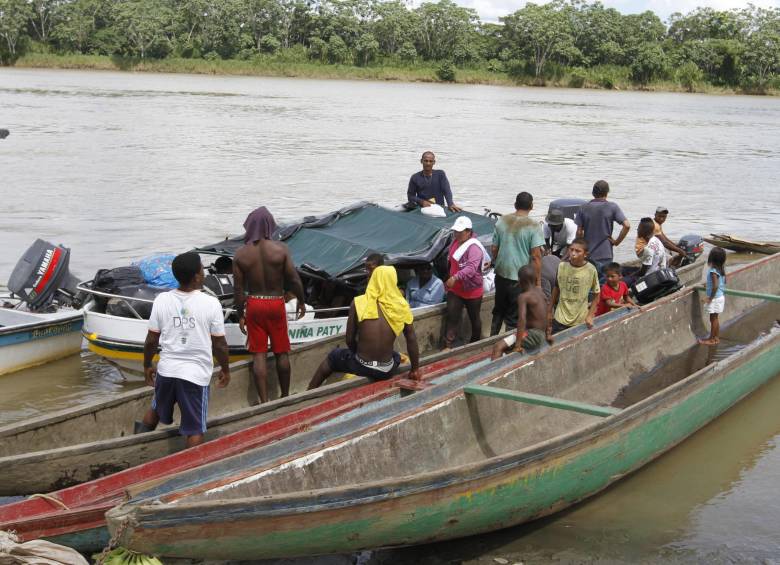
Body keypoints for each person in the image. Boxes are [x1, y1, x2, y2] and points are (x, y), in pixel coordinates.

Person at [137, 252, 230, 448]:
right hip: (194, 376)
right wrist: (226, 369)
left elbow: (151, 340)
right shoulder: (211, 303)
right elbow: (220, 345)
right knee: (195, 428)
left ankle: (138, 448)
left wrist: (146, 365)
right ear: (197, 276)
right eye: (202, 268)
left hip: (167, 371)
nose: (204, 272)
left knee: (155, 410)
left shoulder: (162, 300)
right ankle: (193, 473)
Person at [233, 206, 306, 403]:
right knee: (281, 351)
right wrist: (301, 300)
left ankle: (264, 402)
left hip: (255, 304)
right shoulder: (281, 249)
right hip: (276, 303)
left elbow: (238, 290)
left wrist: (241, 314)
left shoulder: (240, 255)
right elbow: (294, 279)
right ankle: (285, 395)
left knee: (259, 354)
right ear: (269, 226)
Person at [308, 265, 421, 388]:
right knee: (396, 356)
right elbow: (411, 339)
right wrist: (415, 369)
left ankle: (310, 391)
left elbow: (349, 340)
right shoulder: (401, 305)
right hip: (386, 370)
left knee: (333, 356)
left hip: (361, 366)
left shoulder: (358, 302)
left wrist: (359, 355)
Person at [490, 192, 544, 335]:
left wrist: (496, 261)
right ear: (531, 206)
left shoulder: (502, 221)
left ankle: (490, 339)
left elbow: (494, 248)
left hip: (501, 274)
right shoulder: (533, 226)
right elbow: (536, 256)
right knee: (514, 316)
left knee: (499, 310)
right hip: (519, 280)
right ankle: (509, 346)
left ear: (515, 205)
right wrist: (538, 283)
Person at [444, 216, 489, 348]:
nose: (456, 234)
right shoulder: (455, 242)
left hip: (472, 289)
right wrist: (447, 278)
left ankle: (475, 343)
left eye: (460, 232)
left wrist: (455, 277)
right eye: (455, 231)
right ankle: (448, 344)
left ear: (468, 232)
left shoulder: (474, 247)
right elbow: (450, 262)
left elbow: (471, 268)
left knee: (474, 317)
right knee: (452, 315)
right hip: (455, 289)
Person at [575, 180, 631, 281]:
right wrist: (616, 242)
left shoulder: (583, 207)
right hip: (605, 253)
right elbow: (626, 226)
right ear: (607, 193)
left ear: (593, 193)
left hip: (588, 255)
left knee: (588, 283)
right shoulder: (612, 207)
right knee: (604, 284)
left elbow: (579, 233)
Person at [546, 238, 600, 342]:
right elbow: (556, 288)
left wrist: (590, 315)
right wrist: (549, 311)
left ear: (585, 254)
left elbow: (597, 294)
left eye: (578, 251)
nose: (573, 254)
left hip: (580, 320)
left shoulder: (591, 269)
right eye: (571, 250)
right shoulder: (562, 266)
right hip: (560, 317)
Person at [491, 265, 549, 360]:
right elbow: (547, 309)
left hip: (533, 335)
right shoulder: (540, 292)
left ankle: (493, 373)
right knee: (508, 348)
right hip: (541, 334)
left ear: (521, 281)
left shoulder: (523, 296)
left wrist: (518, 344)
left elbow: (521, 320)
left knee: (498, 347)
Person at [699, 247, 727, 345]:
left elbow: (715, 286)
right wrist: (708, 285)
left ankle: (711, 339)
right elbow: (722, 283)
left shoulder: (713, 271)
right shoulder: (721, 269)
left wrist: (709, 298)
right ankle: (716, 338)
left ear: (712, 258)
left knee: (713, 319)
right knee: (715, 318)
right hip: (720, 297)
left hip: (715, 298)